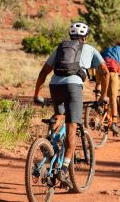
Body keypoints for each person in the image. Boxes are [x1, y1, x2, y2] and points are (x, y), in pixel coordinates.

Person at [33, 21, 109, 188]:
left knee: (59, 114)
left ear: (70, 36)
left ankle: (49, 145)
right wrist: (103, 96)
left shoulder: (60, 48)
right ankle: (63, 170)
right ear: (85, 37)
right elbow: (105, 71)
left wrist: (37, 94)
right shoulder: (90, 49)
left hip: (55, 86)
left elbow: (44, 71)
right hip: (73, 88)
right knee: (72, 132)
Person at [96, 40, 120, 136]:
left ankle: (99, 104)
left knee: (101, 89)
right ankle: (114, 122)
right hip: (111, 69)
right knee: (113, 97)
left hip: (99, 69)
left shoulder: (108, 49)